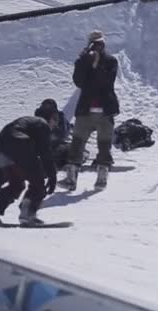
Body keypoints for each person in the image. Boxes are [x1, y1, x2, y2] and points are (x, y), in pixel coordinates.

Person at [61, 29, 120, 190]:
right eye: (95, 44)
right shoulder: (83, 61)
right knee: (77, 143)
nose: (97, 47)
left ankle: (102, 178)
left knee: (104, 144)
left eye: (100, 44)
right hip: (86, 109)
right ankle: (71, 179)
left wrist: (97, 64)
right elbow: (79, 82)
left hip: (105, 109)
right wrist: (85, 62)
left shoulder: (110, 61)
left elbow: (107, 82)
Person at [0, 110, 58, 226]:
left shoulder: (26, 122)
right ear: (50, 118)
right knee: (37, 184)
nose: (55, 125)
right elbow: (45, 152)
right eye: (55, 121)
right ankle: (28, 213)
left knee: (16, 185)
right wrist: (52, 176)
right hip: (20, 146)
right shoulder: (42, 124)